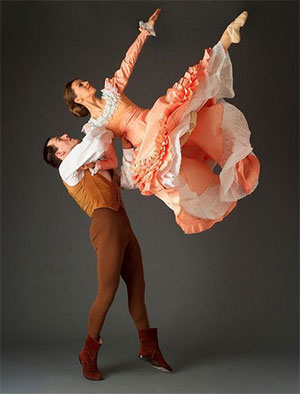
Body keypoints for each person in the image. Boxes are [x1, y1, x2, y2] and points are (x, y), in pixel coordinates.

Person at [63, 8, 261, 234]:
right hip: (146, 142)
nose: (86, 83)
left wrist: (144, 33)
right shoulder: (95, 127)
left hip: (155, 118)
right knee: (178, 163)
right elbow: (109, 157)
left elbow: (128, 62)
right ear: (78, 99)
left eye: (83, 81)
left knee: (187, 91)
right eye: (81, 85)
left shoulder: (111, 89)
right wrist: (99, 162)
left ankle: (227, 37)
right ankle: (211, 184)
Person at [43, 131, 172, 380]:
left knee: (137, 288)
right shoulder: (68, 168)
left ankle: (149, 347)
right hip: (106, 227)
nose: (65, 135)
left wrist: (128, 148)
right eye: (60, 139)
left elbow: (130, 180)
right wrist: (106, 122)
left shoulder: (95, 163)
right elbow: (96, 141)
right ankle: (88, 353)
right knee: (107, 292)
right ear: (60, 153)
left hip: (124, 226)